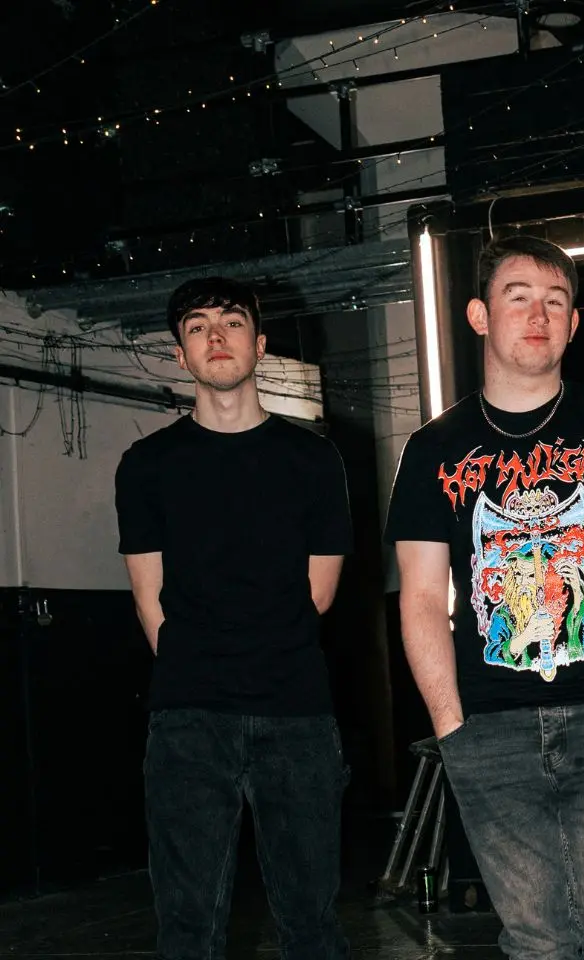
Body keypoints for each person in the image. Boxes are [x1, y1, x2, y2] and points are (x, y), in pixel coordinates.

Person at [386, 236, 584, 959]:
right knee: (533, 942)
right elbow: (423, 596)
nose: (539, 315)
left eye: (557, 301)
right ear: (479, 315)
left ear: (576, 324)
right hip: (488, 730)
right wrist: (451, 724)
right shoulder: (435, 449)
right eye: (518, 296)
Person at [115, 276, 353, 960]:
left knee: (311, 924)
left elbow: (321, 592)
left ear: (260, 344)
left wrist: (258, 655)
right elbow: (148, 599)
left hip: (297, 713)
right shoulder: (148, 465)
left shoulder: (313, 458)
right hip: (190, 718)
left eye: (231, 322)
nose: (216, 336)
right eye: (197, 327)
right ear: (181, 357)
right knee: (188, 928)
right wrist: (201, 671)